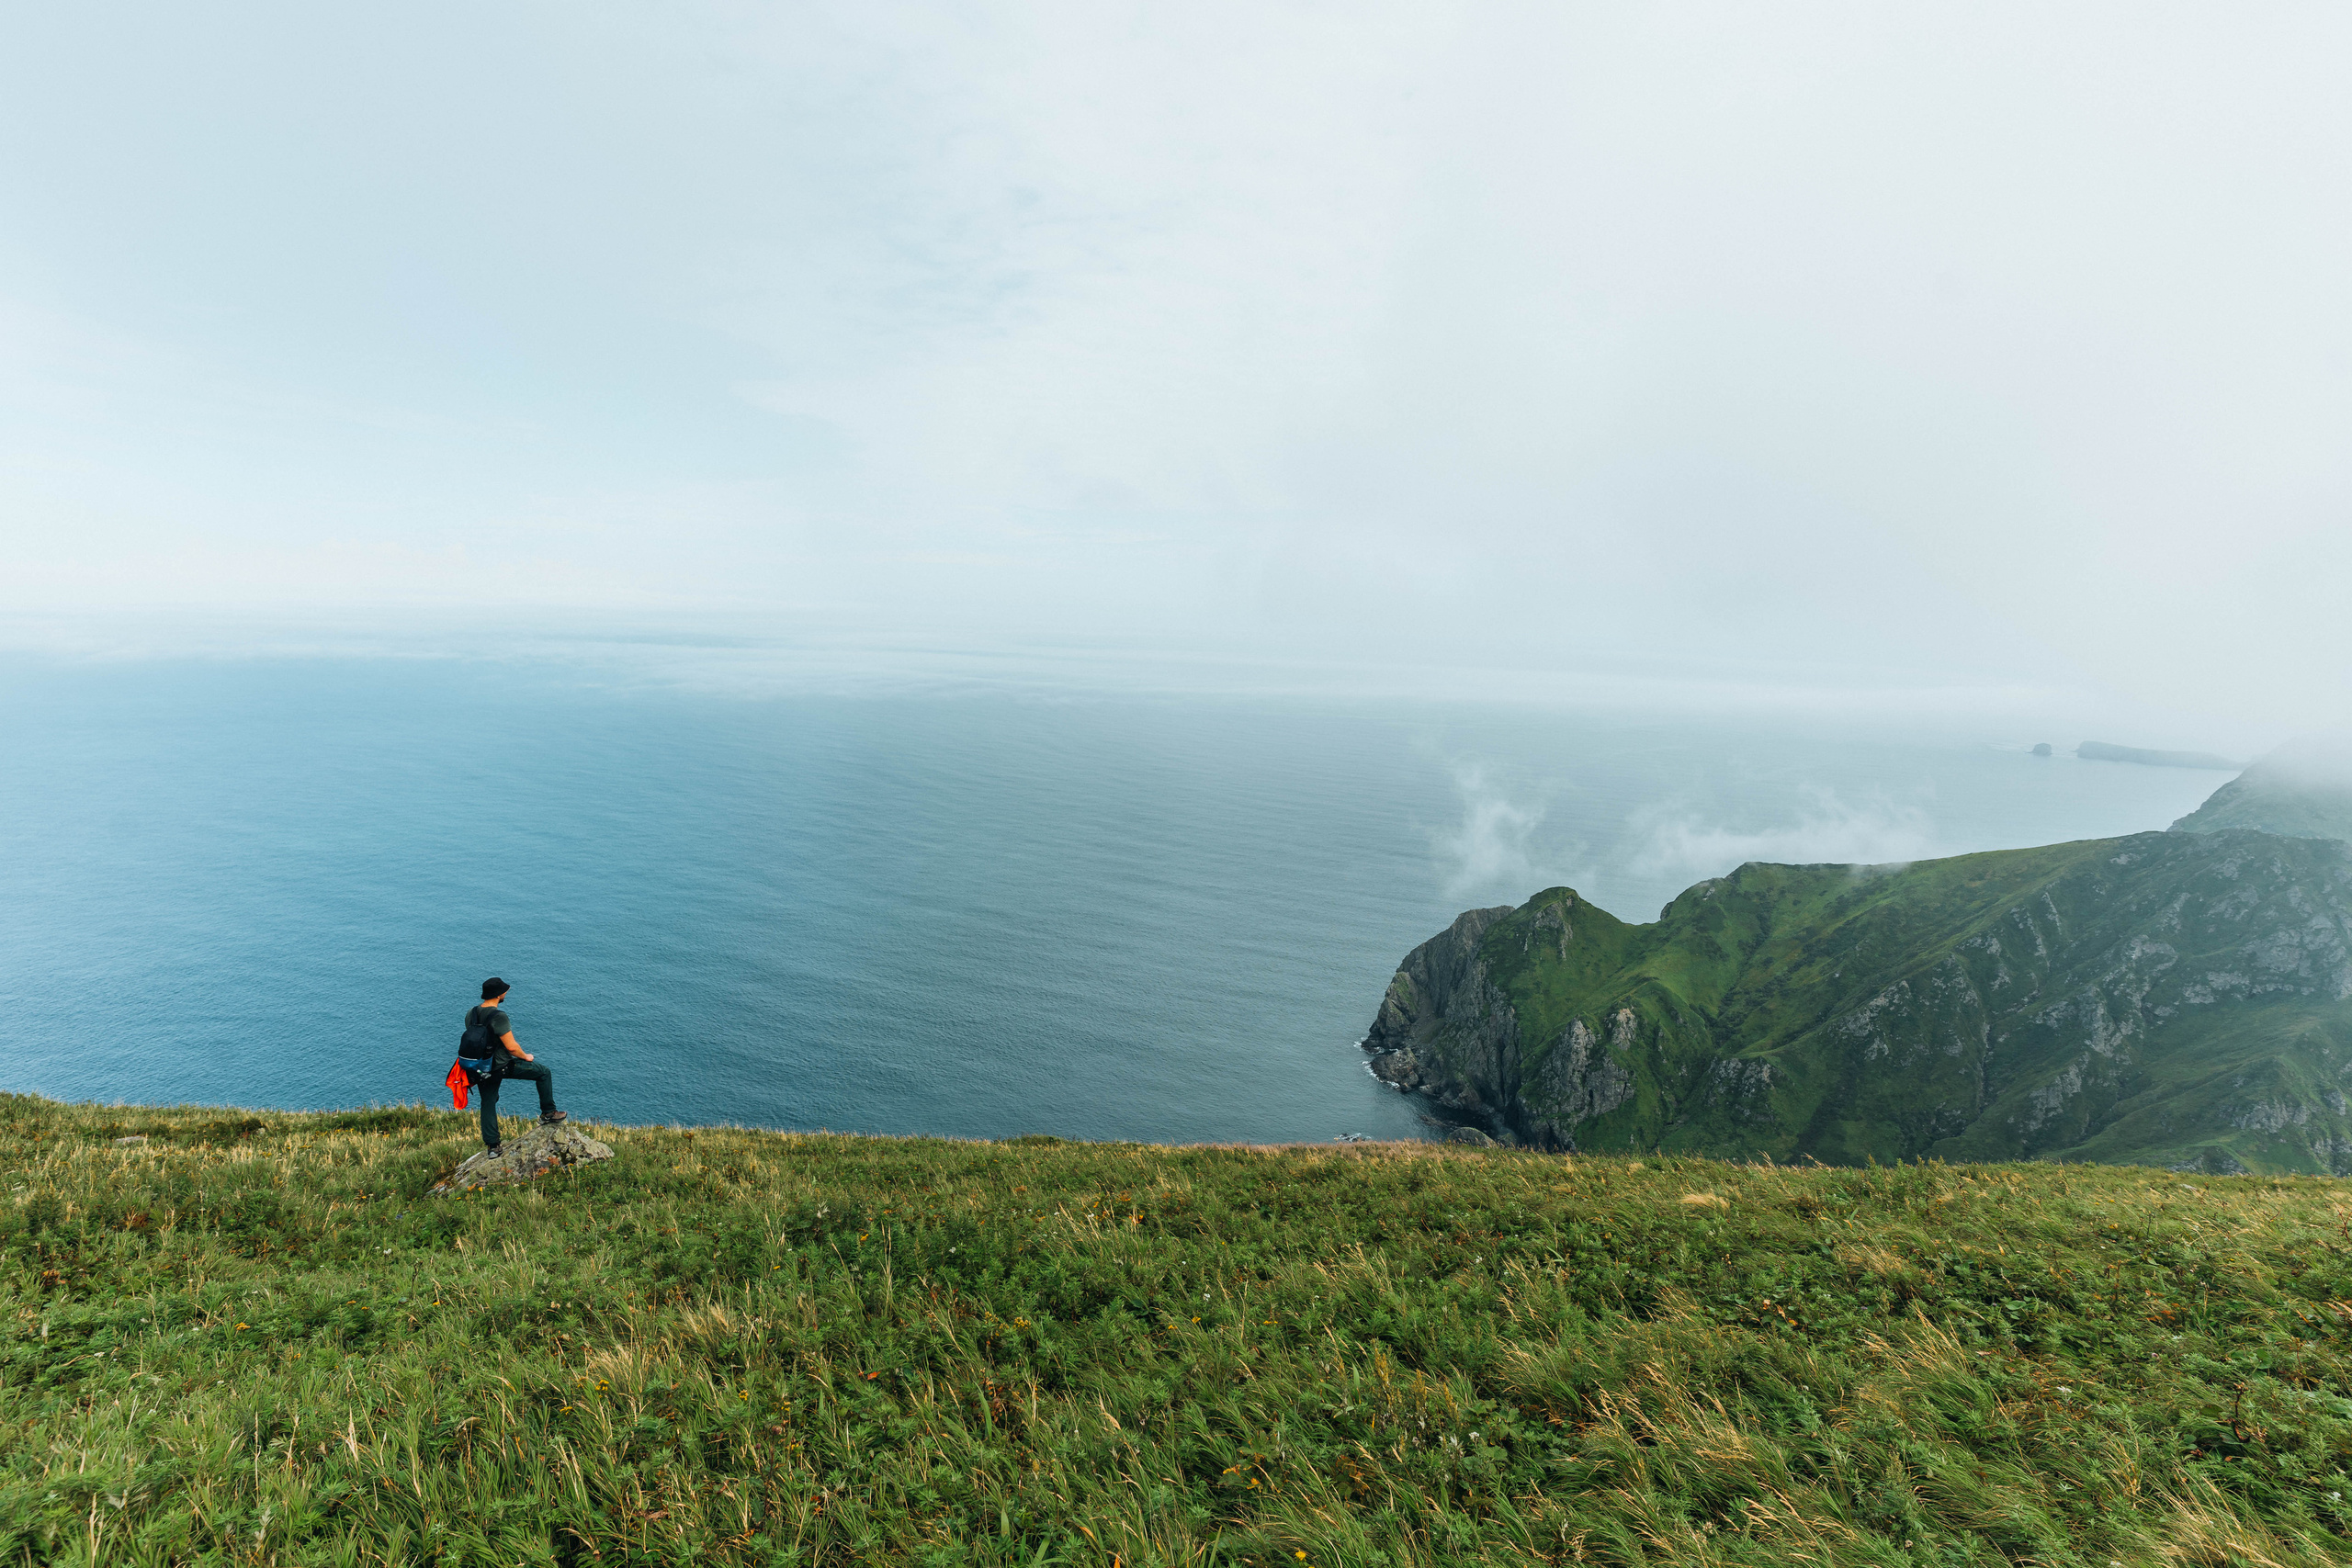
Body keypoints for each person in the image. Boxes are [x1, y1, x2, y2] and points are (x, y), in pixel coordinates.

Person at [466, 977, 567, 1155]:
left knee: (488, 1102)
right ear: (498, 995)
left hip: (480, 1067)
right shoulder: (499, 1017)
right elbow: (511, 1047)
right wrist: (526, 1056)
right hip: (500, 1065)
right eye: (504, 991)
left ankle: (493, 1147)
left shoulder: (471, 1013)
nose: (506, 993)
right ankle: (548, 1113)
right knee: (543, 1072)